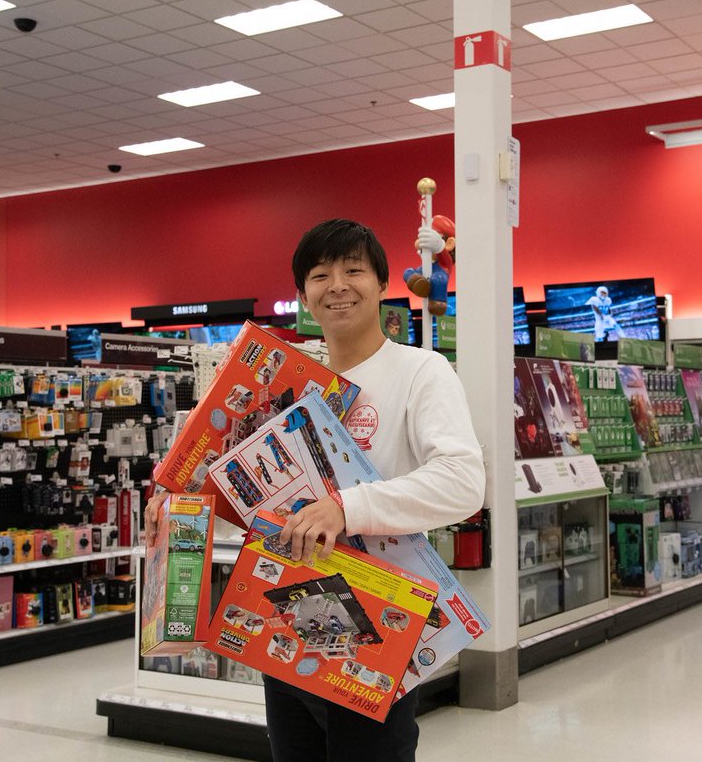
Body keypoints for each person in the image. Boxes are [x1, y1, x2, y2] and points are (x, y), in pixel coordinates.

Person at [146, 218, 485, 762]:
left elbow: (463, 483)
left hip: (376, 623)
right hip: (286, 608)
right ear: (303, 294)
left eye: (354, 270)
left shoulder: (422, 371)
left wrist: (345, 507)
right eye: (320, 274)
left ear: (380, 284)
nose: (338, 285)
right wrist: (180, 499)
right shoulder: (290, 380)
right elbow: (249, 486)